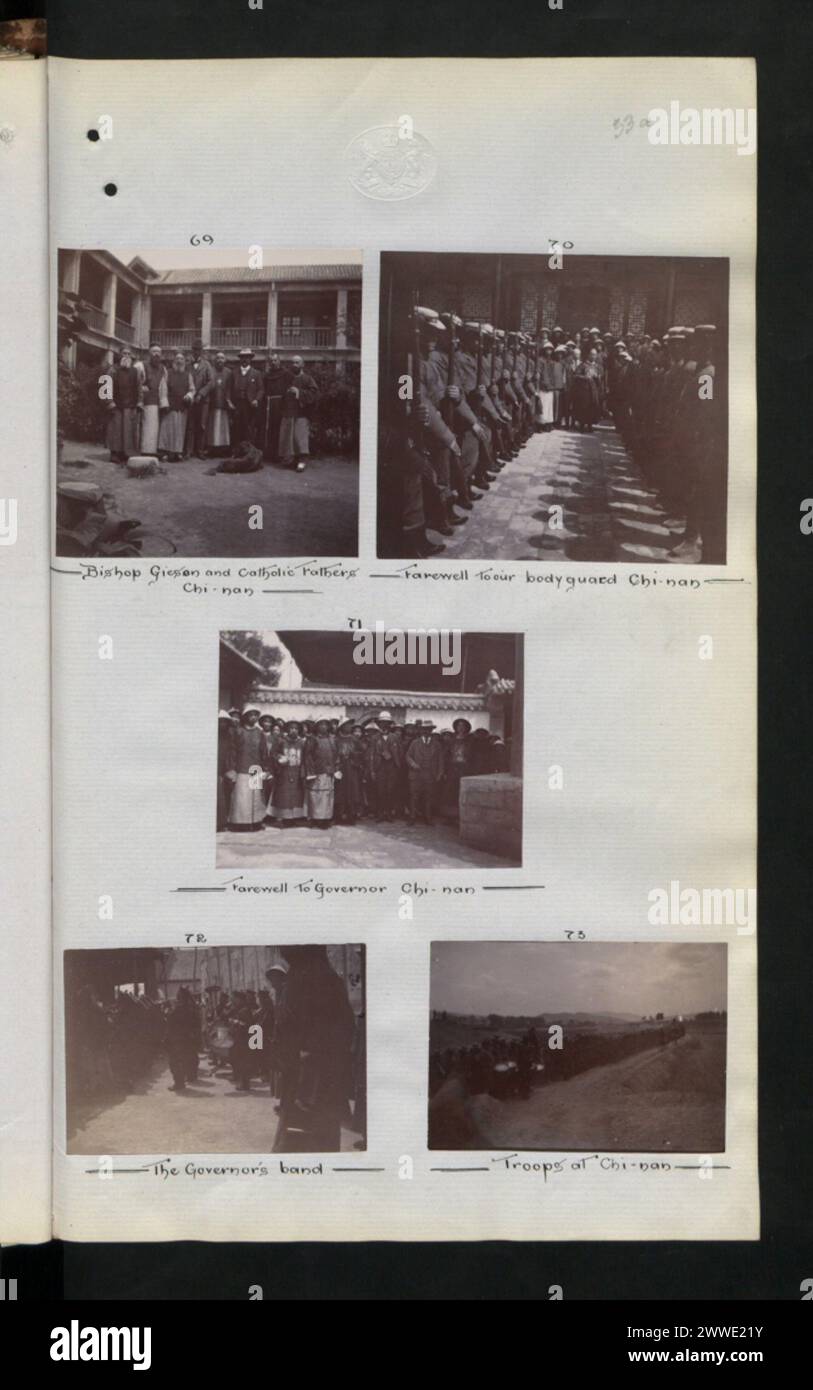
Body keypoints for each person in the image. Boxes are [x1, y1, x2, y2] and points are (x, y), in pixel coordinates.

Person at [272, 946, 356, 1153]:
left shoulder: (301, 980)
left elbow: (288, 1030)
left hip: (305, 1084)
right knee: (323, 1143)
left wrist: (290, 1061)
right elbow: (347, 1031)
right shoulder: (330, 978)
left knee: (297, 1147)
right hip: (324, 1082)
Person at [225, 708, 270, 831]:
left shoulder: (260, 733)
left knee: (256, 798)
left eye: (256, 715)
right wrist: (232, 769)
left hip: (256, 769)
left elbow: (264, 752)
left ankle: (256, 822)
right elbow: (232, 751)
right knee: (242, 798)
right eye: (251, 715)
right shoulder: (238, 732)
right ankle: (240, 824)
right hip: (241, 769)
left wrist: (266, 769)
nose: (253, 717)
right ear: (245, 716)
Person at [279, 355, 318, 472]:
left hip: (301, 413)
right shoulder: (287, 378)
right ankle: (291, 459)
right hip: (288, 412)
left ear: (302, 364)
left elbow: (314, 394)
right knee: (288, 437)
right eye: (293, 363)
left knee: (299, 437)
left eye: (297, 363)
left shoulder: (307, 378)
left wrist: (299, 392)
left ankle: (302, 461)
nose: (294, 365)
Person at [158, 351, 195, 461]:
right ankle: (165, 452)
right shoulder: (168, 373)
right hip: (170, 405)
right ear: (174, 361)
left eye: (181, 359)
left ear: (184, 361)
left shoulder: (188, 375)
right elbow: (162, 388)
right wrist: (164, 403)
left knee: (180, 430)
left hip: (182, 407)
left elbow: (192, 389)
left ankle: (178, 452)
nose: (179, 361)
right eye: (177, 359)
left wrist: (189, 395)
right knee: (167, 430)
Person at [367, 710, 404, 821]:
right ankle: (380, 814)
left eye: (387, 722)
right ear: (379, 724)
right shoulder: (374, 738)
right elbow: (371, 755)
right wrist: (372, 771)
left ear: (390, 724)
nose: (385, 725)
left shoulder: (395, 737)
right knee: (380, 791)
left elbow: (401, 753)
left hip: (392, 767)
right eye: (382, 722)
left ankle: (388, 813)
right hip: (379, 768)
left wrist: (393, 757)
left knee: (390, 790)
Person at [107, 348, 142, 462]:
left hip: (130, 404)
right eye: (124, 353)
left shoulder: (135, 371)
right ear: (119, 355)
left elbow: (139, 387)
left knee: (127, 430)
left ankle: (125, 453)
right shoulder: (113, 369)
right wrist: (109, 401)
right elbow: (104, 387)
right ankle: (114, 453)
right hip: (116, 404)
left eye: (128, 354)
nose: (126, 356)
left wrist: (139, 401)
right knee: (116, 429)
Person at [406, 720, 444, 825]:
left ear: (432, 730)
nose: (426, 731)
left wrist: (439, 773)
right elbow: (408, 756)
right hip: (416, 774)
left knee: (429, 797)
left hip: (430, 775)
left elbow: (441, 760)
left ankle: (428, 817)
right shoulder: (415, 743)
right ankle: (412, 817)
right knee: (414, 796)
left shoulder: (437, 744)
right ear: (421, 730)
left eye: (429, 729)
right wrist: (413, 764)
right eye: (424, 729)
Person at [303, 718, 340, 826]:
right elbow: (308, 756)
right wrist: (310, 771)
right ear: (317, 726)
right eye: (321, 724)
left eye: (325, 724)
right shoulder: (312, 739)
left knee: (327, 796)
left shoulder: (332, 739)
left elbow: (336, 755)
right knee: (316, 795)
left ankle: (326, 818)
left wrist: (336, 768)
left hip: (329, 772)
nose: (323, 727)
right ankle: (316, 818)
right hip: (317, 772)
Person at [269, 721, 306, 826]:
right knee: (284, 795)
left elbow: (306, 757)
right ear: (287, 730)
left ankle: (295, 817)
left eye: (296, 728)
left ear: (299, 730)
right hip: (284, 772)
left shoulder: (302, 743)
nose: (293, 730)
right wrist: (280, 758)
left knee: (297, 795)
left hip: (297, 772)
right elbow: (273, 753)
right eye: (291, 728)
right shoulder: (281, 741)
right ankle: (285, 818)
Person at [165, 988, 200, 1093]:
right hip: (188, 1039)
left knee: (175, 1062)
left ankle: (179, 1083)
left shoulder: (178, 1009)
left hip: (177, 1039)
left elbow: (170, 1021)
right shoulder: (191, 1008)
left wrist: (168, 1011)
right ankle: (190, 1076)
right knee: (188, 1058)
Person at [186, 339, 214, 458]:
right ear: (192, 351)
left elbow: (211, 382)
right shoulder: (187, 365)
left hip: (203, 401)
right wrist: (191, 395)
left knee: (202, 425)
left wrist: (201, 394)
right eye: (194, 349)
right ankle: (189, 451)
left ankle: (200, 450)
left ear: (202, 351)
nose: (196, 352)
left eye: (198, 350)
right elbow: (184, 381)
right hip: (191, 400)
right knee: (190, 425)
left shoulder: (207, 365)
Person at [231, 348, 265, 447]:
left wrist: (256, 399)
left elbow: (261, 389)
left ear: (251, 359)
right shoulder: (234, 372)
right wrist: (230, 402)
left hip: (249, 405)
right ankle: (236, 451)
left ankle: (249, 451)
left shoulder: (256, 373)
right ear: (240, 359)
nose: (245, 360)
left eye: (247, 357)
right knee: (237, 428)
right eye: (243, 357)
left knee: (249, 428)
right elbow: (229, 388)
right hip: (237, 404)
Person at [335, 720, 366, 825]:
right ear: (342, 727)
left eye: (349, 725)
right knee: (340, 792)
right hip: (340, 768)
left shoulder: (354, 740)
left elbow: (362, 753)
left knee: (352, 792)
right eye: (346, 725)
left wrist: (353, 757)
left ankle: (351, 815)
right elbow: (333, 753)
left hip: (352, 769)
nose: (349, 727)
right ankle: (339, 815)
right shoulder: (336, 740)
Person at [263, 352, 292, 462]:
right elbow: (264, 389)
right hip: (269, 404)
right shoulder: (267, 375)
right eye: (271, 361)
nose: (273, 363)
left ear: (279, 361)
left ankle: (280, 454)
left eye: (275, 360)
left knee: (280, 428)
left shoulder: (286, 374)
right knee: (269, 429)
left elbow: (291, 386)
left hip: (281, 404)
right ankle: (270, 453)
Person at [140, 343, 168, 455]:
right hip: (145, 401)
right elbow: (135, 380)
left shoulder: (163, 369)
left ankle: (153, 451)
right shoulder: (142, 365)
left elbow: (164, 386)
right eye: (154, 352)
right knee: (146, 428)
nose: (156, 354)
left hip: (158, 402)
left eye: (158, 352)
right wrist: (141, 387)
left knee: (155, 429)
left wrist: (164, 402)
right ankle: (145, 451)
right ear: (149, 353)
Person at [207, 351, 234, 453]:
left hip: (224, 404)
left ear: (225, 360)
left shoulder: (229, 372)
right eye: (218, 358)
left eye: (222, 358)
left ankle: (223, 449)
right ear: (215, 360)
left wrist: (229, 401)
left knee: (223, 428)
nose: (219, 360)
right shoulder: (211, 371)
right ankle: (212, 448)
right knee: (212, 427)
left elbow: (230, 389)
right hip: (213, 403)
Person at [217, 711, 235, 832]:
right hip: (216, 769)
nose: (222, 724)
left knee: (226, 796)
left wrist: (229, 769)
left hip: (226, 769)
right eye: (220, 721)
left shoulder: (230, 736)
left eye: (225, 722)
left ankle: (224, 821)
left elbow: (232, 753)